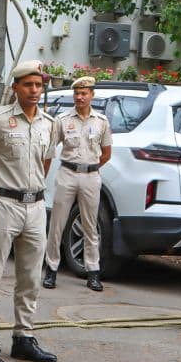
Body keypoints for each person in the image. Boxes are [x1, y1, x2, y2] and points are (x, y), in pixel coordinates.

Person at [0, 60, 58, 362]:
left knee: (31, 277)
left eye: (39, 85)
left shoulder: (49, 123)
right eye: (28, 85)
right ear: (15, 87)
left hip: (35, 207)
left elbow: (45, 160)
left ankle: (24, 337)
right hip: (5, 204)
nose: (34, 91)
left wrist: (34, 187)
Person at [42, 77, 112, 292]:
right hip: (67, 173)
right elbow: (50, 150)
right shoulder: (62, 119)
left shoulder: (101, 121)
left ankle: (92, 272)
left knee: (91, 225)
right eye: (77, 93)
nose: (80, 97)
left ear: (92, 95)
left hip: (90, 175)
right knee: (57, 224)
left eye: (84, 93)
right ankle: (51, 269)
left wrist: (90, 166)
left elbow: (107, 153)